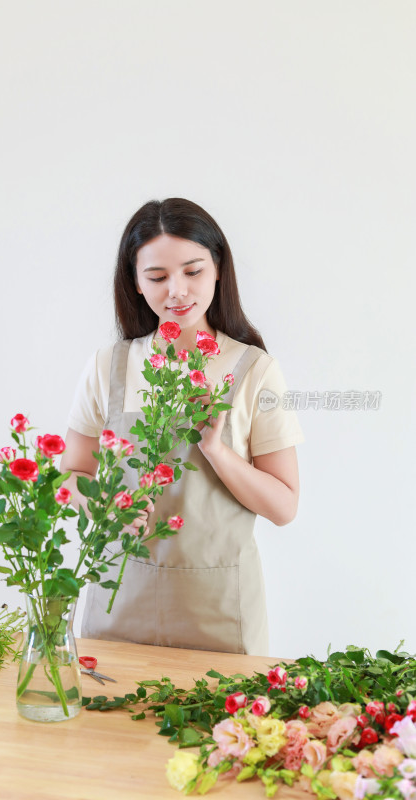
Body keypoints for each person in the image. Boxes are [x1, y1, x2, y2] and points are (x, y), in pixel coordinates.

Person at [61, 197, 304, 655]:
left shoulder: (254, 370)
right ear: (134, 282)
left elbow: (284, 506)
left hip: (218, 614)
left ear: (218, 269)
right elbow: (70, 474)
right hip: (117, 603)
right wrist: (105, 507)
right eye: (157, 277)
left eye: (193, 271)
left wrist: (217, 451)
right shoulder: (107, 367)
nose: (177, 291)